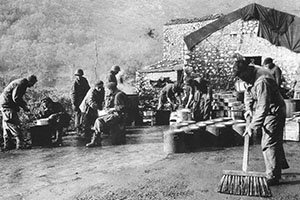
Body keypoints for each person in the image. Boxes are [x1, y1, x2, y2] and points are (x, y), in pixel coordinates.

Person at [233, 59, 289, 186]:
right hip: (265, 109)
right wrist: (248, 109)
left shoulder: (262, 80)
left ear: (247, 70)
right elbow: (248, 92)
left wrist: (252, 127)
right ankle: (276, 169)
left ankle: (272, 175)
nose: (242, 80)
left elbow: (263, 107)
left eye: (243, 77)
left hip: (274, 111)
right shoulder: (249, 76)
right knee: (273, 141)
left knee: (269, 142)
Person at [0, 75, 37, 150]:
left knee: (7, 126)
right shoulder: (22, 84)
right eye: (33, 83)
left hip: (4, 105)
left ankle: (8, 145)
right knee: (14, 124)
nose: (32, 86)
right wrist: (24, 106)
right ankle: (21, 145)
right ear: (31, 81)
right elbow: (16, 98)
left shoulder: (20, 82)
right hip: (8, 106)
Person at [87, 82, 129, 147]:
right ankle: (96, 139)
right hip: (118, 114)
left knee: (99, 120)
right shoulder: (118, 93)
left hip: (118, 115)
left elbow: (122, 107)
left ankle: (95, 140)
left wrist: (112, 109)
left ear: (111, 89)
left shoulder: (118, 95)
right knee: (100, 118)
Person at [70, 69, 90, 135]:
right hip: (77, 101)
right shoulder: (75, 83)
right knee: (78, 114)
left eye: (80, 75)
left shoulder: (84, 80)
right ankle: (78, 129)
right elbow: (73, 94)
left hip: (84, 100)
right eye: (77, 75)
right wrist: (74, 104)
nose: (79, 77)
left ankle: (83, 128)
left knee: (84, 114)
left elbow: (88, 89)